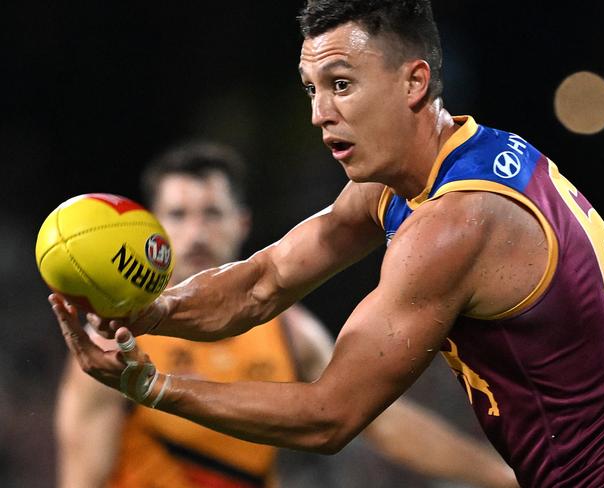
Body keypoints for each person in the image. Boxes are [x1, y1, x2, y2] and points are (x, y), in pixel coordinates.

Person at [49, 1, 604, 487]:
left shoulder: (455, 224)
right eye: (312, 88)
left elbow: (329, 417)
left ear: (415, 81)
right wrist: (151, 313)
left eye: (341, 85)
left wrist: (150, 386)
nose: (319, 113)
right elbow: (265, 281)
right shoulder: (446, 164)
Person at [54, 142, 517, 488]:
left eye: (212, 213)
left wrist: (502, 476)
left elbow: (381, 422)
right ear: (152, 227)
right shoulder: (117, 349)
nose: (196, 232)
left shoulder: (288, 333)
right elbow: (82, 478)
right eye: (178, 214)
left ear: (242, 224)